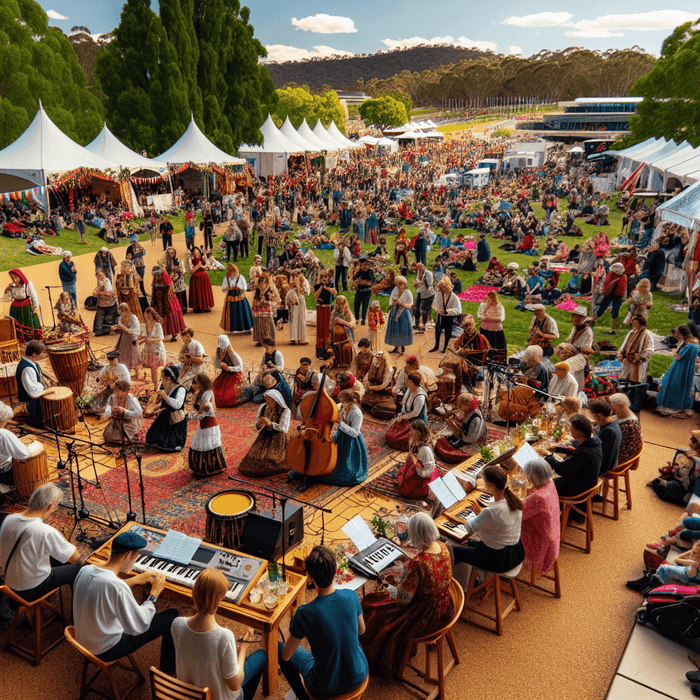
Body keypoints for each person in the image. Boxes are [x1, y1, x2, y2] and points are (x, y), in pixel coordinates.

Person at [360, 513, 454, 678]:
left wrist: (386, 584)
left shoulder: (418, 562)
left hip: (426, 615)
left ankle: (375, 660)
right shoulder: (443, 546)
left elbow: (403, 599)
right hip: (446, 605)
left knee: (371, 604)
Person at [73, 530, 177, 674]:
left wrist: (136, 580)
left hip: (82, 641)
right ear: (129, 556)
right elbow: (139, 625)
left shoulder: (85, 570)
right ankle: (167, 672)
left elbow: (107, 588)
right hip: (107, 649)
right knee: (172, 616)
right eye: (135, 558)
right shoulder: (117, 587)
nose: (134, 562)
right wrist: (153, 595)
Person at [279, 546, 368, 700]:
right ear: (335, 570)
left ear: (310, 578)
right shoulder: (351, 596)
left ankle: (303, 697)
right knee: (351, 647)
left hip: (325, 687)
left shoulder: (304, 613)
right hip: (358, 674)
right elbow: (362, 631)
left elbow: (287, 656)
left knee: (280, 649)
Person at [172, 568, 267, 700]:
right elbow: (235, 684)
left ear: (194, 593)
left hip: (189, 695)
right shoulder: (223, 636)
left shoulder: (177, 624)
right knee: (262, 656)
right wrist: (244, 648)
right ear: (219, 598)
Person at [0, 483, 82, 602]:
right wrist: (60, 536)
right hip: (29, 589)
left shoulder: (9, 519)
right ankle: (75, 614)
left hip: (8, 581)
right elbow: (75, 557)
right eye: (55, 506)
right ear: (49, 507)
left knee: (55, 556)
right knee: (78, 568)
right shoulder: (45, 531)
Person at [451, 465, 525, 573]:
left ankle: (450, 583)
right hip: (516, 552)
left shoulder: (491, 511)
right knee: (469, 542)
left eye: (484, 483)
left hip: (499, 560)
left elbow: (469, 528)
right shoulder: (514, 500)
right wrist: (480, 516)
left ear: (490, 486)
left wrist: (459, 517)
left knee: (454, 550)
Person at [545, 413, 602, 498]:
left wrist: (548, 458)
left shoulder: (583, 452)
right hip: (589, 481)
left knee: (546, 484)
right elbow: (576, 452)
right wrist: (558, 449)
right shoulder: (594, 441)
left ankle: (553, 508)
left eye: (571, 428)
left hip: (579, 487)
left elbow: (562, 469)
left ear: (580, 432)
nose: (569, 430)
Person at [520, 459, 560, 576]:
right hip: (552, 533)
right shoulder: (550, 483)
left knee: (503, 529)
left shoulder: (538, 497)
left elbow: (517, 515)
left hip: (540, 539)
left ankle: (503, 569)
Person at [320, 389, 368, 486]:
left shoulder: (357, 413)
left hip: (352, 441)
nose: (341, 404)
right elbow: (332, 410)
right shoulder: (340, 406)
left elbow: (355, 433)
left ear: (350, 402)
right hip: (341, 436)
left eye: (343, 402)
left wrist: (341, 424)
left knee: (346, 468)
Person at [238, 389, 290, 477]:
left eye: (267, 398)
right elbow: (257, 426)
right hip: (264, 435)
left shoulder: (285, 410)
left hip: (278, 437)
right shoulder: (263, 407)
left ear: (274, 400)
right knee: (252, 459)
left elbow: (283, 428)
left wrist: (270, 424)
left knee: (271, 460)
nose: (265, 400)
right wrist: (259, 423)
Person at [656, 324, 700, 417]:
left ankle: (671, 407)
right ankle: (680, 408)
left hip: (680, 367)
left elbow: (678, 356)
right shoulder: (695, 342)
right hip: (687, 367)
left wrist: (674, 351)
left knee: (674, 385)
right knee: (684, 387)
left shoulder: (688, 345)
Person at [188, 374, 226, 477]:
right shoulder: (200, 394)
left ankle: (212, 469)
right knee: (198, 442)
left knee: (207, 445)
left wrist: (192, 415)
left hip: (209, 426)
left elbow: (206, 409)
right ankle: (203, 468)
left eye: (195, 383)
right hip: (203, 425)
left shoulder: (208, 395)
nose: (193, 385)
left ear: (201, 384)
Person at [145, 366, 188, 452]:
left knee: (169, 443)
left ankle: (175, 444)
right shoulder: (168, 388)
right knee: (151, 437)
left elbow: (177, 405)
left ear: (169, 378)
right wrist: (154, 407)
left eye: (163, 379)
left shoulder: (181, 389)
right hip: (166, 415)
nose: (162, 381)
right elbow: (164, 403)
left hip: (176, 418)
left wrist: (165, 397)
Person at [617, 313, 654, 412]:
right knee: (629, 383)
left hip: (639, 365)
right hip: (628, 363)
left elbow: (649, 350)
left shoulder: (647, 334)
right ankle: (630, 403)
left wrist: (639, 358)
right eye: (632, 322)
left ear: (642, 324)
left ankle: (637, 406)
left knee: (638, 384)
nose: (632, 324)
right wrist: (621, 353)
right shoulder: (631, 332)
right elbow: (624, 345)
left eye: (635, 322)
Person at [16, 340, 55, 428]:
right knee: (39, 423)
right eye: (42, 353)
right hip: (31, 404)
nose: (44, 355)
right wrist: (47, 390)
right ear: (34, 354)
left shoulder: (31, 363)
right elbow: (33, 393)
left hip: (33, 398)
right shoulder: (27, 369)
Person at [386, 371, 428, 451]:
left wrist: (403, 417)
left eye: (407, 380)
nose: (405, 382)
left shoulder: (420, 396)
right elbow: (405, 406)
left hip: (416, 425)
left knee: (395, 439)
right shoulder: (409, 390)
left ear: (411, 382)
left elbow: (415, 413)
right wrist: (401, 415)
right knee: (390, 434)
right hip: (407, 419)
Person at [151, 266, 187, 342]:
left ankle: (173, 333)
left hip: (167, 299)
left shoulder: (164, 275)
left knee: (170, 314)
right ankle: (160, 332)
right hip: (159, 298)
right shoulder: (157, 276)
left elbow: (168, 286)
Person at [101, 380, 143, 444]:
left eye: (117, 390)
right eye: (115, 390)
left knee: (126, 438)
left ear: (125, 392)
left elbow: (139, 413)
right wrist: (106, 415)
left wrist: (124, 411)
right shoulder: (112, 397)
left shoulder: (132, 399)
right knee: (108, 436)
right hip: (117, 422)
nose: (115, 392)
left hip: (130, 423)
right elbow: (108, 410)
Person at [588, 397, 622, 477]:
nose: (593, 418)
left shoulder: (608, 431)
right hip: (607, 462)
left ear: (600, 416)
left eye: (593, 416)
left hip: (603, 468)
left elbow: (598, 458)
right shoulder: (613, 423)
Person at [213, 335, 248, 408]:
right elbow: (216, 365)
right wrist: (220, 362)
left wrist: (228, 368)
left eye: (224, 349)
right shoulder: (219, 352)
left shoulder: (234, 355)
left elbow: (239, 368)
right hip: (225, 375)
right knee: (216, 390)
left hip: (235, 376)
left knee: (229, 396)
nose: (223, 350)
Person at [429, 277, 461, 354]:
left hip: (449, 317)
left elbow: (458, 310)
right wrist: (438, 310)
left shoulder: (454, 297)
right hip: (440, 315)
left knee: (448, 332)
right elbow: (434, 304)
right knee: (437, 330)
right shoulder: (438, 294)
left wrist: (448, 312)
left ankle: (444, 348)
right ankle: (436, 346)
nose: (442, 290)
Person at [609, 393, 643, 464]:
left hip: (621, 460)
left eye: (613, 409)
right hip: (627, 455)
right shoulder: (631, 415)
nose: (612, 411)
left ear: (620, 407)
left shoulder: (627, 425)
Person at [219, 263, 253, 335]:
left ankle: (245, 327)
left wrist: (238, 288)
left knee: (242, 312)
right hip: (230, 297)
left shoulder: (240, 277)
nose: (231, 274)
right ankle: (232, 328)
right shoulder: (227, 278)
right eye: (230, 272)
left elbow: (244, 288)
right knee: (232, 313)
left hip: (240, 297)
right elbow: (223, 289)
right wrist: (229, 288)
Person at [594, 261, 627, 335]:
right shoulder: (617, 276)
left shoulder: (620, 277)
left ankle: (612, 328)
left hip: (616, 295)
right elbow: (607, 284)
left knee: (614, 310)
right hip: (612, 294)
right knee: (604, 307)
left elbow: (622, 288)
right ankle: (595, 319)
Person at [111, 303, 141, 380]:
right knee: (124, 355)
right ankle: (126, 373)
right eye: (121, 312)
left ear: (127, 310)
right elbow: (121, 329)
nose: (122, 314)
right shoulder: (121, 318)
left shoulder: (133, 318)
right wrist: (115, 328)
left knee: (133, 356)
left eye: (123, 311)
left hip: (132, 339)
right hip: (124, 339)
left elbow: (133, 330)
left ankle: (137, 375)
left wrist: (121, 326)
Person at [139, 307, 166, 390]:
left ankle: (157, 386)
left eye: (149, 317)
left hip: (157, 349)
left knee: (155, 369)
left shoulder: (157, 325)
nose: (147, 318)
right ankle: (156, 385)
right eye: (146, 317)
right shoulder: (145, 325)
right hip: (148, 349)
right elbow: (143, 336)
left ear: (153, 316)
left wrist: (149, 340)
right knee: (152, 369)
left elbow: (161, 338)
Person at [385, 275, 413, 355]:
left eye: (400, 284)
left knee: (402, 329)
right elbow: (391, 300)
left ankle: (402, 345)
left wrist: (401, 303)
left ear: (405, 284)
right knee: (395, 330)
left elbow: (410, 305)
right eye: (397, 284)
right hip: (395, 312)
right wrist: (393, 303)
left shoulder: (408, 293)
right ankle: (395, 347)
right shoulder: (395, 290)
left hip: (404, 313)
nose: (398, 286)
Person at [477, 290, 506, 364]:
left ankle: (496, 361)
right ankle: (483, 359)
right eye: (487, 299)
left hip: (495, 331)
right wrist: (484, 318)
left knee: (495, 347)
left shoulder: (499, 306)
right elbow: (479, 315)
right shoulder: (483, 304)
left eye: (489, 300)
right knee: (485, 346)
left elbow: (501, 318)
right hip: (485, 329)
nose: (488, 301)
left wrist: (490, 318)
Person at [252, 273, 280, 346]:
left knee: (267, 324)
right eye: (261, 282)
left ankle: (268, 338)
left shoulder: (270, 289)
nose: (263, 284)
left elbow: (277, 299)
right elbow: (254, 298)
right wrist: (257, 302)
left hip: (266, 309)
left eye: (264, 282)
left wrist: (267, 300)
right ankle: (260, 339)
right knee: (258, 323)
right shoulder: (258, 289)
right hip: (258, 310)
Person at [313, 270, 336, 357]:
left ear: (328, 278)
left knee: (328, 326)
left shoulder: (331, 284)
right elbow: (316, 296)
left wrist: (327, 288)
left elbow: (335, 292)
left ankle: (328, 344)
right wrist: (321, 287)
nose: (323, 278)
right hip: (320, 309)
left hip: (328, 307)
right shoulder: (316, 286)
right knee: (321, 327)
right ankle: (320, 345)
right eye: (322, 277)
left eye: (325, 277)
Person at [330, 295, 356, 369]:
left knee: (346, 347)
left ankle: (346, 363)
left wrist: (343, 322)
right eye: (339, 304)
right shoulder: (334, 312)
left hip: (347, 336)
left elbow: (353, 324)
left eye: (342, 303)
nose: (340, 306)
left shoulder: (348, 312)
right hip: (336, 336)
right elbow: (331, 323)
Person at [188, 247, 215, 313]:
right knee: (197, 292)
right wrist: (198, 266)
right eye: (195, 252)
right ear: (192, 253)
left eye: (197, 251)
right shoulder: (190, 260)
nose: (196, 253)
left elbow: (207, 267)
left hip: (204, 277)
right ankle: (197, 307)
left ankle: (206, 306)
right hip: (195, 278)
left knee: (204, 291)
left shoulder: (203, 259)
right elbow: (191, 271)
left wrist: (202, 264)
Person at [92, 269, 118, 336]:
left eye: (102, 275)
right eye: (99, 275)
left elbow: (109, 293)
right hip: (102, 303)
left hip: (108, 302)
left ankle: (107, 329)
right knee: (100, 316)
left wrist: (99, 293)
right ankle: (99, 330)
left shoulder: (106, 280)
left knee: (108, 317)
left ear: (104, 274)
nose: (101, 276)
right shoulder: (99, 281)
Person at [286, 273, 309, 345]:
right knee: (294, 319)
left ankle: (301, 338)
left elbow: (306, 292)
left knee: (301, 319)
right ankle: (294, 337)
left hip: (300, 302)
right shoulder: (293, 287)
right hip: (295, 302)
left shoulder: (303, 286)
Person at [165, 248, 188, 316]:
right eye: (170, 253)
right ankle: (176, 309)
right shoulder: (166, 262)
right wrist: (170, 276)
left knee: (182, 293)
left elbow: (183, 270)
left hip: (179, 279)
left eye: (173, 253)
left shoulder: (178, 260)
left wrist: (179, 271)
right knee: (174, 294)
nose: (172, 254)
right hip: (171, 280)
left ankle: (183, 308)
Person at [353, 257, 375, 325]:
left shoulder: (370, 272)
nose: (366, 266)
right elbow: (354, 278)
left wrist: (363, 282)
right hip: (359, 291)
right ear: (361, 265)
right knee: (356, 305)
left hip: (367, 291)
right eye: (364, 265)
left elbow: (372, 281)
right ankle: (357, 318)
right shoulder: (359, 272)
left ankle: (363, 319)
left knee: (365, 305)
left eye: (367, 265)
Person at [413, 262, 435, 331]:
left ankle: (423, 325)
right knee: (416, 307)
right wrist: (416, 284)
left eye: (419, 268)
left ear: (422, 267)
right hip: (420, 292)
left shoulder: (428, 273)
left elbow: (430, 284)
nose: (418, 270)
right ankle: (416, 323)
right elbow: (417, 281)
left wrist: (420, 284)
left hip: (427, 293)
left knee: (423, 309)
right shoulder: (419, 273)